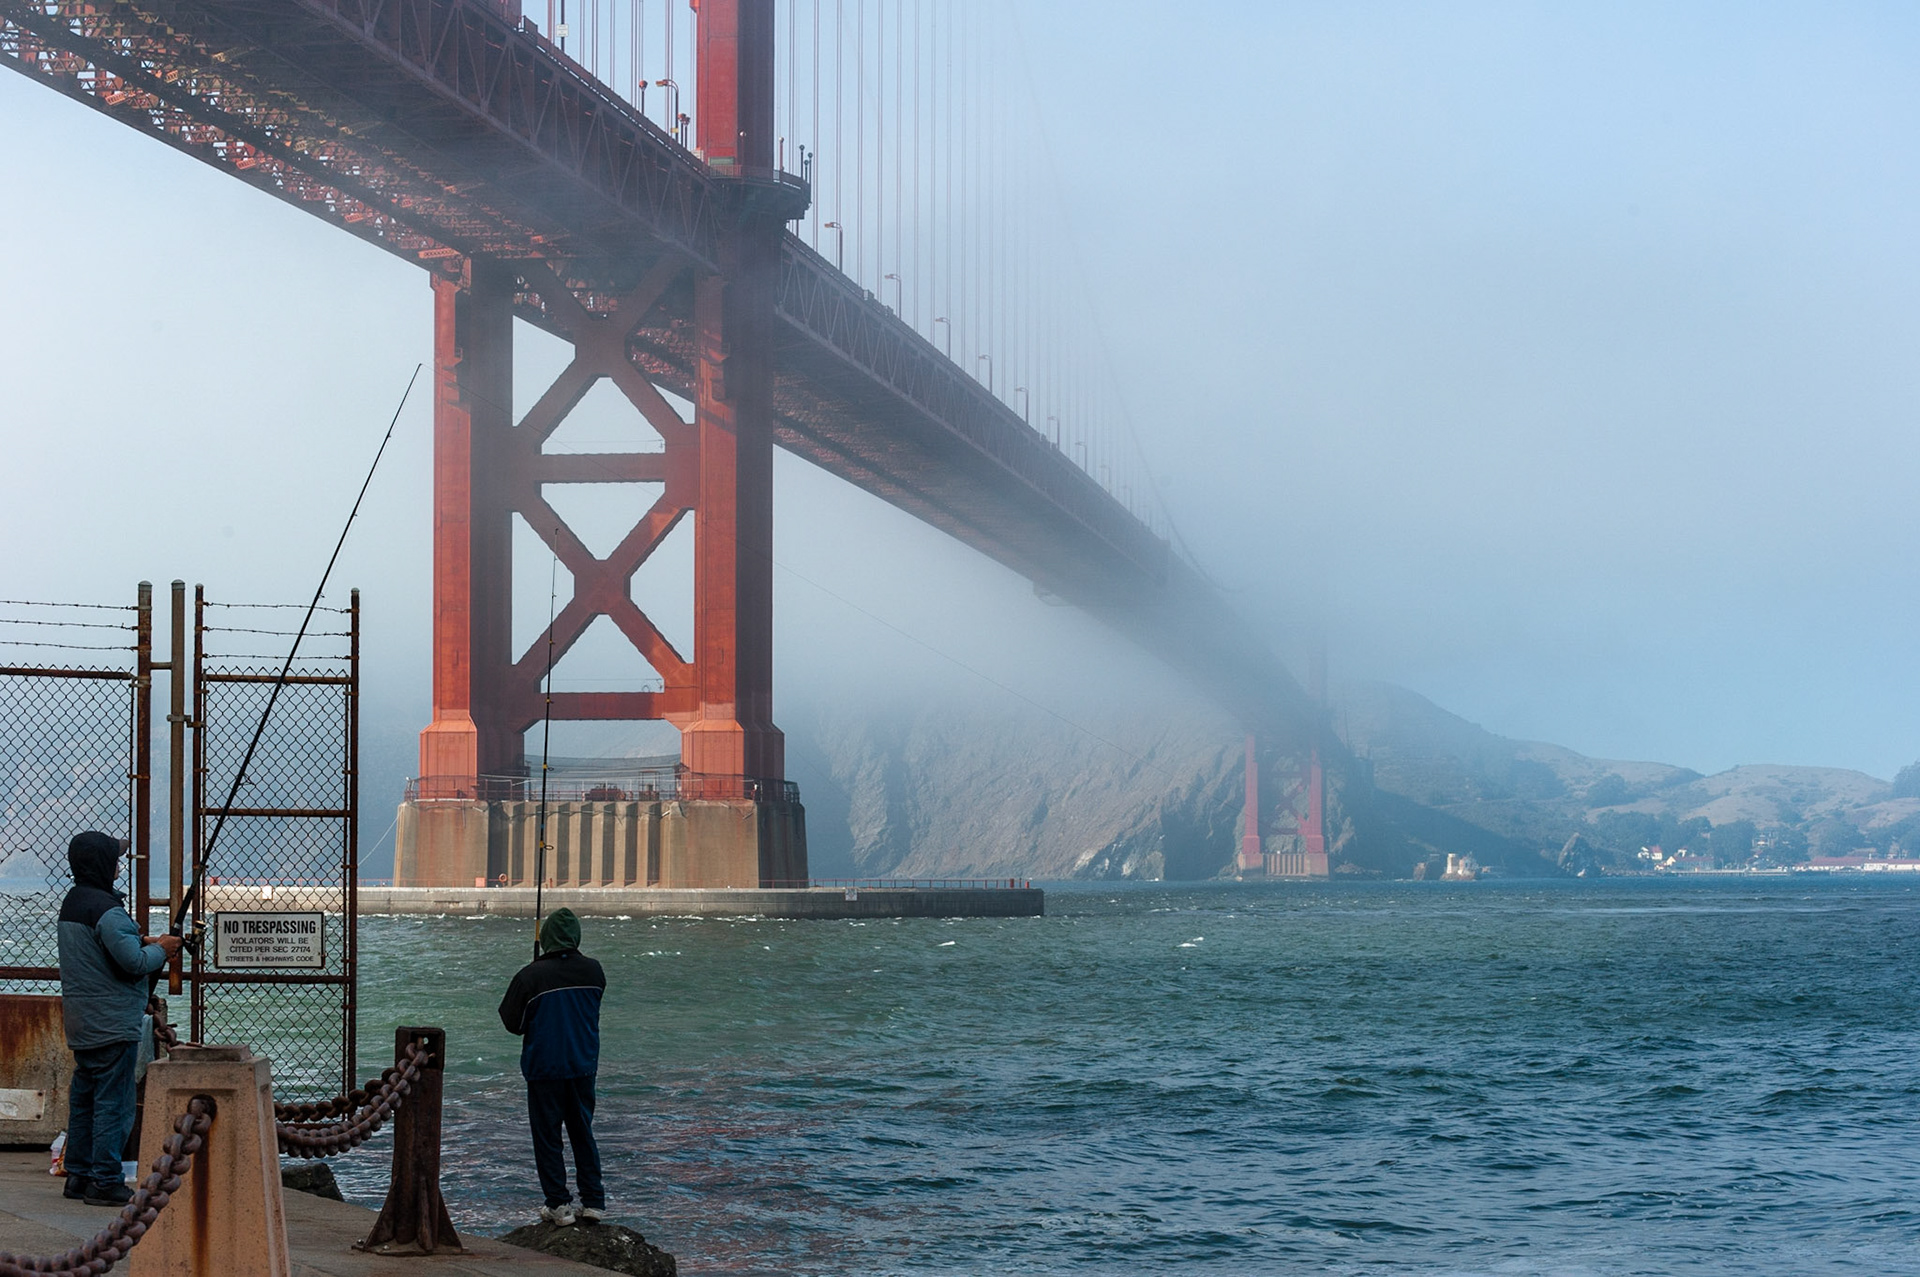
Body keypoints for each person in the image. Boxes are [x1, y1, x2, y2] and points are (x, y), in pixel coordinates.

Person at [57, 830, 181, 1207]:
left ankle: (77, 1176)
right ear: (102, 865)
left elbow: (101, 951)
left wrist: (140, 940)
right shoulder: (108, 910)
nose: (118, 864)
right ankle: (105, 1181)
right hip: (112, 1024)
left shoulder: (73, 902)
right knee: (114, 1103)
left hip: (83, 1021)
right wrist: (163, 950)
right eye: (114, 858)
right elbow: (133, 963)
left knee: (85, 1101)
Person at [498, 908, 607, 1226]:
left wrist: (534, 971)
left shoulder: (530, 977)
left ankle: (558, 1205)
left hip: (544, 1068)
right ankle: (594, 1202)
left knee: (547, 1138)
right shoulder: (594, 972)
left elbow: (512, 1022)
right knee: (582, 1132)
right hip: (583, 1065)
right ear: (576, 936)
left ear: (545, 938)